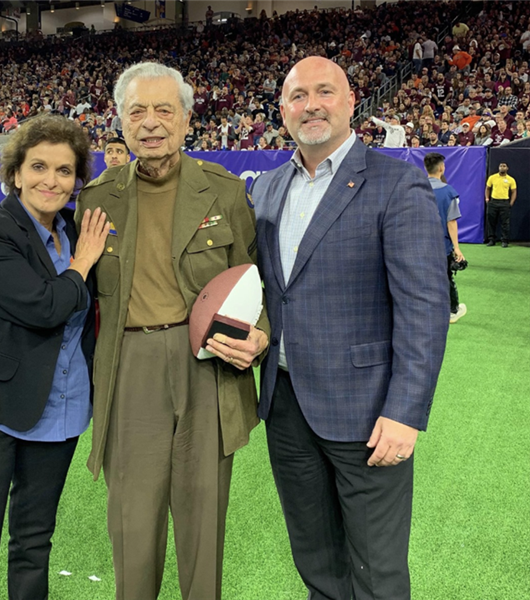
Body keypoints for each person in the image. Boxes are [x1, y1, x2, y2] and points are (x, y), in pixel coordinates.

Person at [251, 56, 449, 600]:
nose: (310, 105)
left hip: (366, 410)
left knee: (376, 570)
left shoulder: (397, 184)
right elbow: (267, 292)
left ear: (351, 101)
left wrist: (405, 411)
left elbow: (424, 307)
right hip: (285, 404)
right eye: (297, 96)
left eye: (324, 92)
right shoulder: (265, 189)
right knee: (316, 558)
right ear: (283, 110)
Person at [76, 62, 269, 600]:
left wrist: (260, 335)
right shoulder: (96, 198)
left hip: (208, 365)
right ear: (121, 121)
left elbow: (259, 282)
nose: (151, 122)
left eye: (165, 109)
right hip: (129, 366)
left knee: (202, 515)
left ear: (187, 120)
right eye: (137, 111)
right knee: (131, 522)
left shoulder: (224, 191)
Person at [0, 113, 110, 600]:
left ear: (77, 180)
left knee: (34, 543)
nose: (50, 180)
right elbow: (44, 307)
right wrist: (82, 264)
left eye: (64, 170)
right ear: (15, 173)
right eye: (38, 167)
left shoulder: (78, 229)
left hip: (60, 408)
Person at [425, 153, 467, 324]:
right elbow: (451, 222)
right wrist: (457, 247)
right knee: (445, 277)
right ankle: (452, 311)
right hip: (441, 245)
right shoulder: (449, 192)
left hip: (418, 244)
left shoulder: (414, 188)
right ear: (441, 168)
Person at [485, 162, 517, 248]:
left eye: (504, 166)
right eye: (500, 166)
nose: (502, 167)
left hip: (504, 202)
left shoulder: (511, 179)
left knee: (505, 222)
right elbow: (488, 188)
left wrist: (511, 202)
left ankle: (505, 241)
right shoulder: (492, 177)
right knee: (491, 222)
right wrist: (487, 198)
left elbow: (514, 192)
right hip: (493, 202)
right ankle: (491, 239)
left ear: (507, 168)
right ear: (498, 168)